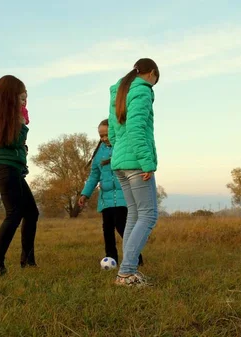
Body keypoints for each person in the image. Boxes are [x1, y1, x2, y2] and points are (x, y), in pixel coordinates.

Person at [0, 75, 39, 275]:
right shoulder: (4, 114)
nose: (24, 101)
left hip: (10, 168)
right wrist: (22, 125)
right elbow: (12, 141)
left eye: (26, 97)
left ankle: (28, 261)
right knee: (14, 213)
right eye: (22, 97)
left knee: (31, 212)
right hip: (6, 168)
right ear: (11, 95)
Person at [108, 58, 159, 287]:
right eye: (155, 80)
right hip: (136, 162)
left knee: (135, 215)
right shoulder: (142, 91)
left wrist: (120, 152)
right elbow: (137, 128)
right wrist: (146, 162)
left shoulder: (119, 91)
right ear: (152, 74)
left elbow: (112, 132)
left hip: (120, 162)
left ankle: (126, 271)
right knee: (148, 215)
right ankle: (126, 272)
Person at [78, 119, 143, 266]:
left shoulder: (122, 147)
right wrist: (85, 194)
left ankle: (135, 257)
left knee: (122, 226)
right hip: (105, 199)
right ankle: (111, 258)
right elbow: (94, 175)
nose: (104, 138)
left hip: (123, 196)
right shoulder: (99, 153)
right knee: (107, 230)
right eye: (101, 136)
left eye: (107, 135)